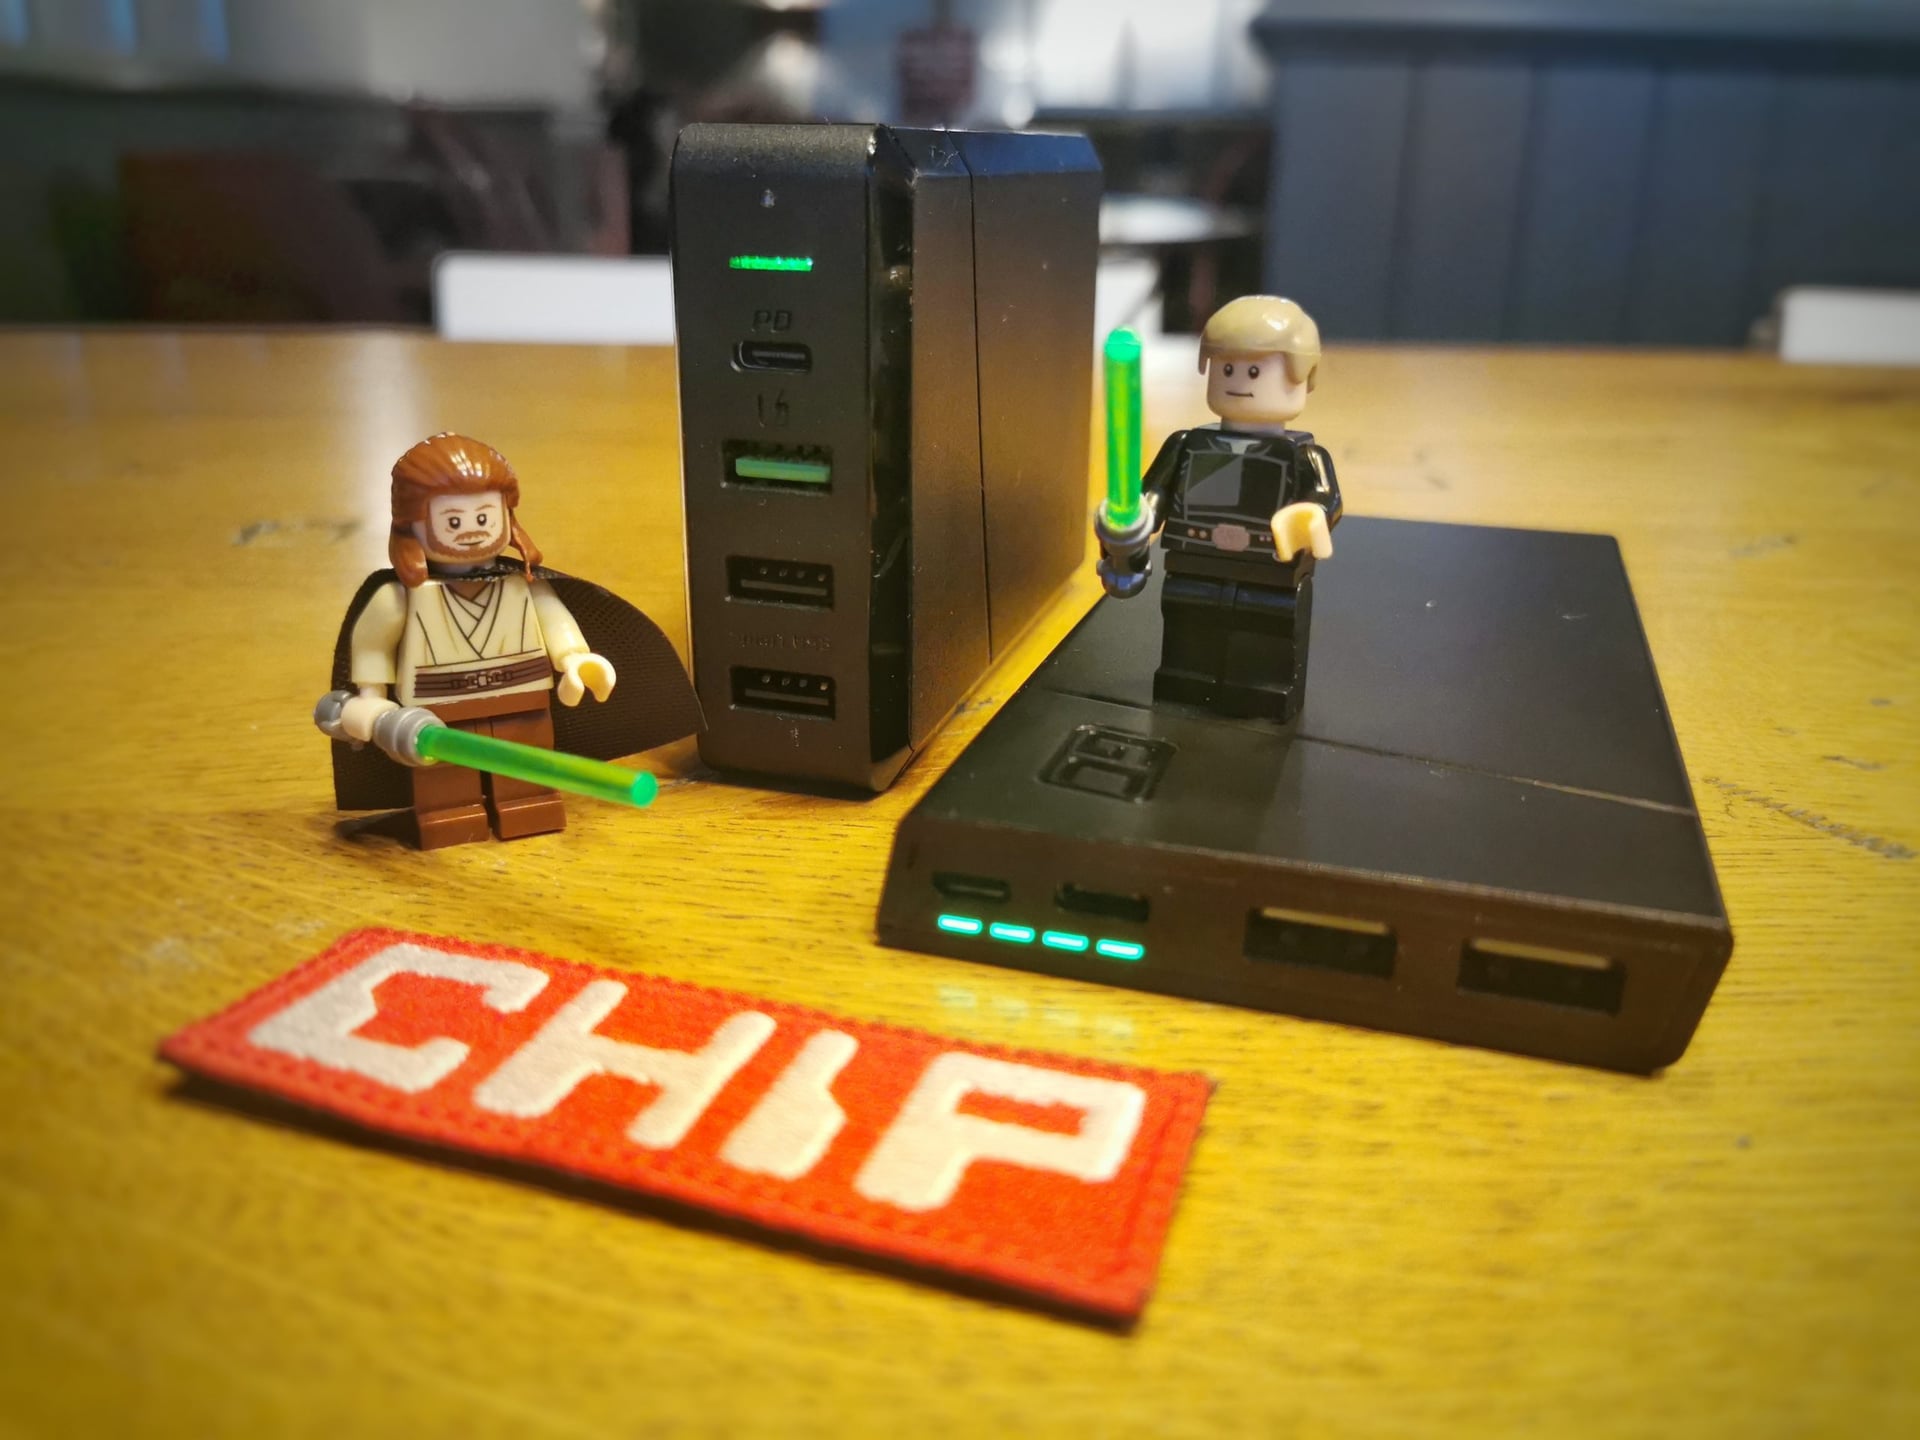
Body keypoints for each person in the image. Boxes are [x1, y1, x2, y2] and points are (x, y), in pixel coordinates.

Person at [322, 433, 700, 848]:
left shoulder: (523, 586)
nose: (471, 532)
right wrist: (372, 697)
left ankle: (528, 806)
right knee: (444, 778)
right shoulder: (399, 598)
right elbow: (373, 645)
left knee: (527, 767)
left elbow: (556, 622)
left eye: (484, 518)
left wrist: (574, 658)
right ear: (412, 523)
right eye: (453, 521)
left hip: (521, 696)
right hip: (438, 707)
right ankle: (450, 816)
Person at [1095, 296, 1341, 723]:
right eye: (1226, 369)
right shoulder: (1187, 444)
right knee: (1187, 622)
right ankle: (1185, 681)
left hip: (1270, 572)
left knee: (1266, 627)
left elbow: (1325, 498)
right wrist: (1136, 521)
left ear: (1303, 376)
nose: (1238, 381)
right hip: (1193, 563)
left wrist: (1310, 516)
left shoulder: (1303, 456)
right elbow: (1155, 492)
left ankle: (1263, 692)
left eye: (1254, 371)